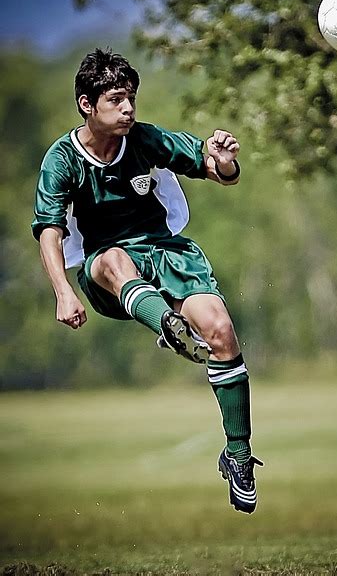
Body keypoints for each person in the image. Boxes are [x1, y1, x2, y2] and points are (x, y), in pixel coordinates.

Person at [32, 48, 262, 514]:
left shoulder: (144, 139)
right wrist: (63, 292)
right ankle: (167, 325)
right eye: (117, 99)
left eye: (131, 98)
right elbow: (49, 230)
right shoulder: (62, 160)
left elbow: (216, 169)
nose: (129, 108)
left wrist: (225, 160)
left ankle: (238, 456)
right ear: (86, 104)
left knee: (219, 329)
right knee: (116, 258)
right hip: (105, 270)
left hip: (165, 252)